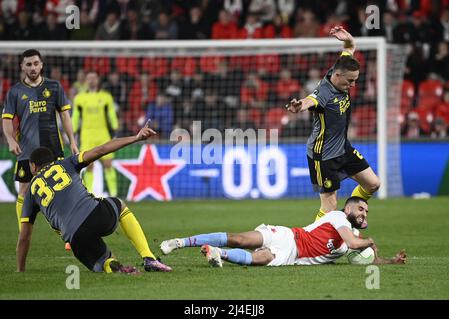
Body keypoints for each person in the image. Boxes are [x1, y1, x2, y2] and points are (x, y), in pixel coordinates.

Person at [16, 123, 172, 273]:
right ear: (52, 160)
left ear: (33, 166)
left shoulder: (30, 192)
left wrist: (20, 270)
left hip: (75, 236)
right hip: (96, 216)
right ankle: (148, 257)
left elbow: (24, 237)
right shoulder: (66, 163)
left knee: (104, 261)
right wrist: (136, 138)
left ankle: (110, 264)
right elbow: (102, 150)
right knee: (120, 205)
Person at [285, 26, 381, 225]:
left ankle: (352, 215)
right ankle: (310, 241)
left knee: (373, 183)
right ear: (337, 77)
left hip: (342, 148)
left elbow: (349, 49)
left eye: (355, 81)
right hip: (323, 155)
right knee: (329, 206)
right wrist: (299, 106)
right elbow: (310, 100)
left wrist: (348, 39)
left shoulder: (338, 69)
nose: (352, 86)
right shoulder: (325, 93)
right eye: (350, 81)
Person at [160, 197, 406, 268]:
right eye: (361, 208)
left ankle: (217, 253)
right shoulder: (338, 217)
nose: (364, 213)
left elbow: (362, 258)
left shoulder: (352, 238)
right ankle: (180, 242)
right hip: (290, 236)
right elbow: (354, 244)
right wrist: (369, 240)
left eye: (367, 212)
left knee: (261, 258)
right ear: (349, 207)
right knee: (242, 238)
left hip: (292, 257)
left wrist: (390, 261)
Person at [2, 49, 78, 236]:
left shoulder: (54, 87)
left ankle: (65, 230)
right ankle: (24, 232)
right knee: (24, 189)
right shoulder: (15, 92)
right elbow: (6, 121)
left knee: (61, 189)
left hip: (53, 149)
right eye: (28, 64)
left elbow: (65, 116)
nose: (33, 67)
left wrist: (73, 142)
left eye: (36, 63)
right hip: (27, 150)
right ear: (22, 67)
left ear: (42, 65)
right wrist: (10, 140)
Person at [72, 70, 119, 197]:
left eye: (94, 78)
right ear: (86, 81)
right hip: (86, 136)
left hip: (103, 134)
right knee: (89, 165)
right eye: (89, 78)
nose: (92, 80)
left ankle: (114, 194)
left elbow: (111, 115)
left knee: (108, 164)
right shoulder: (79, 98)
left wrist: (115, 128)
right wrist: (73, 132)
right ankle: (89, 194)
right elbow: (76, 117)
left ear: (98, 80)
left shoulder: (106, 97)